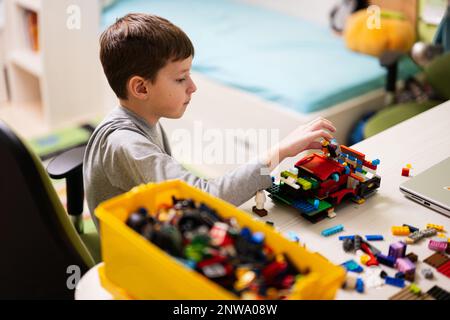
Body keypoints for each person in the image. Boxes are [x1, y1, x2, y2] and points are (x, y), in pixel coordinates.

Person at [83, 13, 336, 226]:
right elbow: (205, 198)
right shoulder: (127, 145)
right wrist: (279, 152)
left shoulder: (141, 119)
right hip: (131, 256)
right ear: (141, 89)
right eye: (181, 78)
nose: (192, 87)